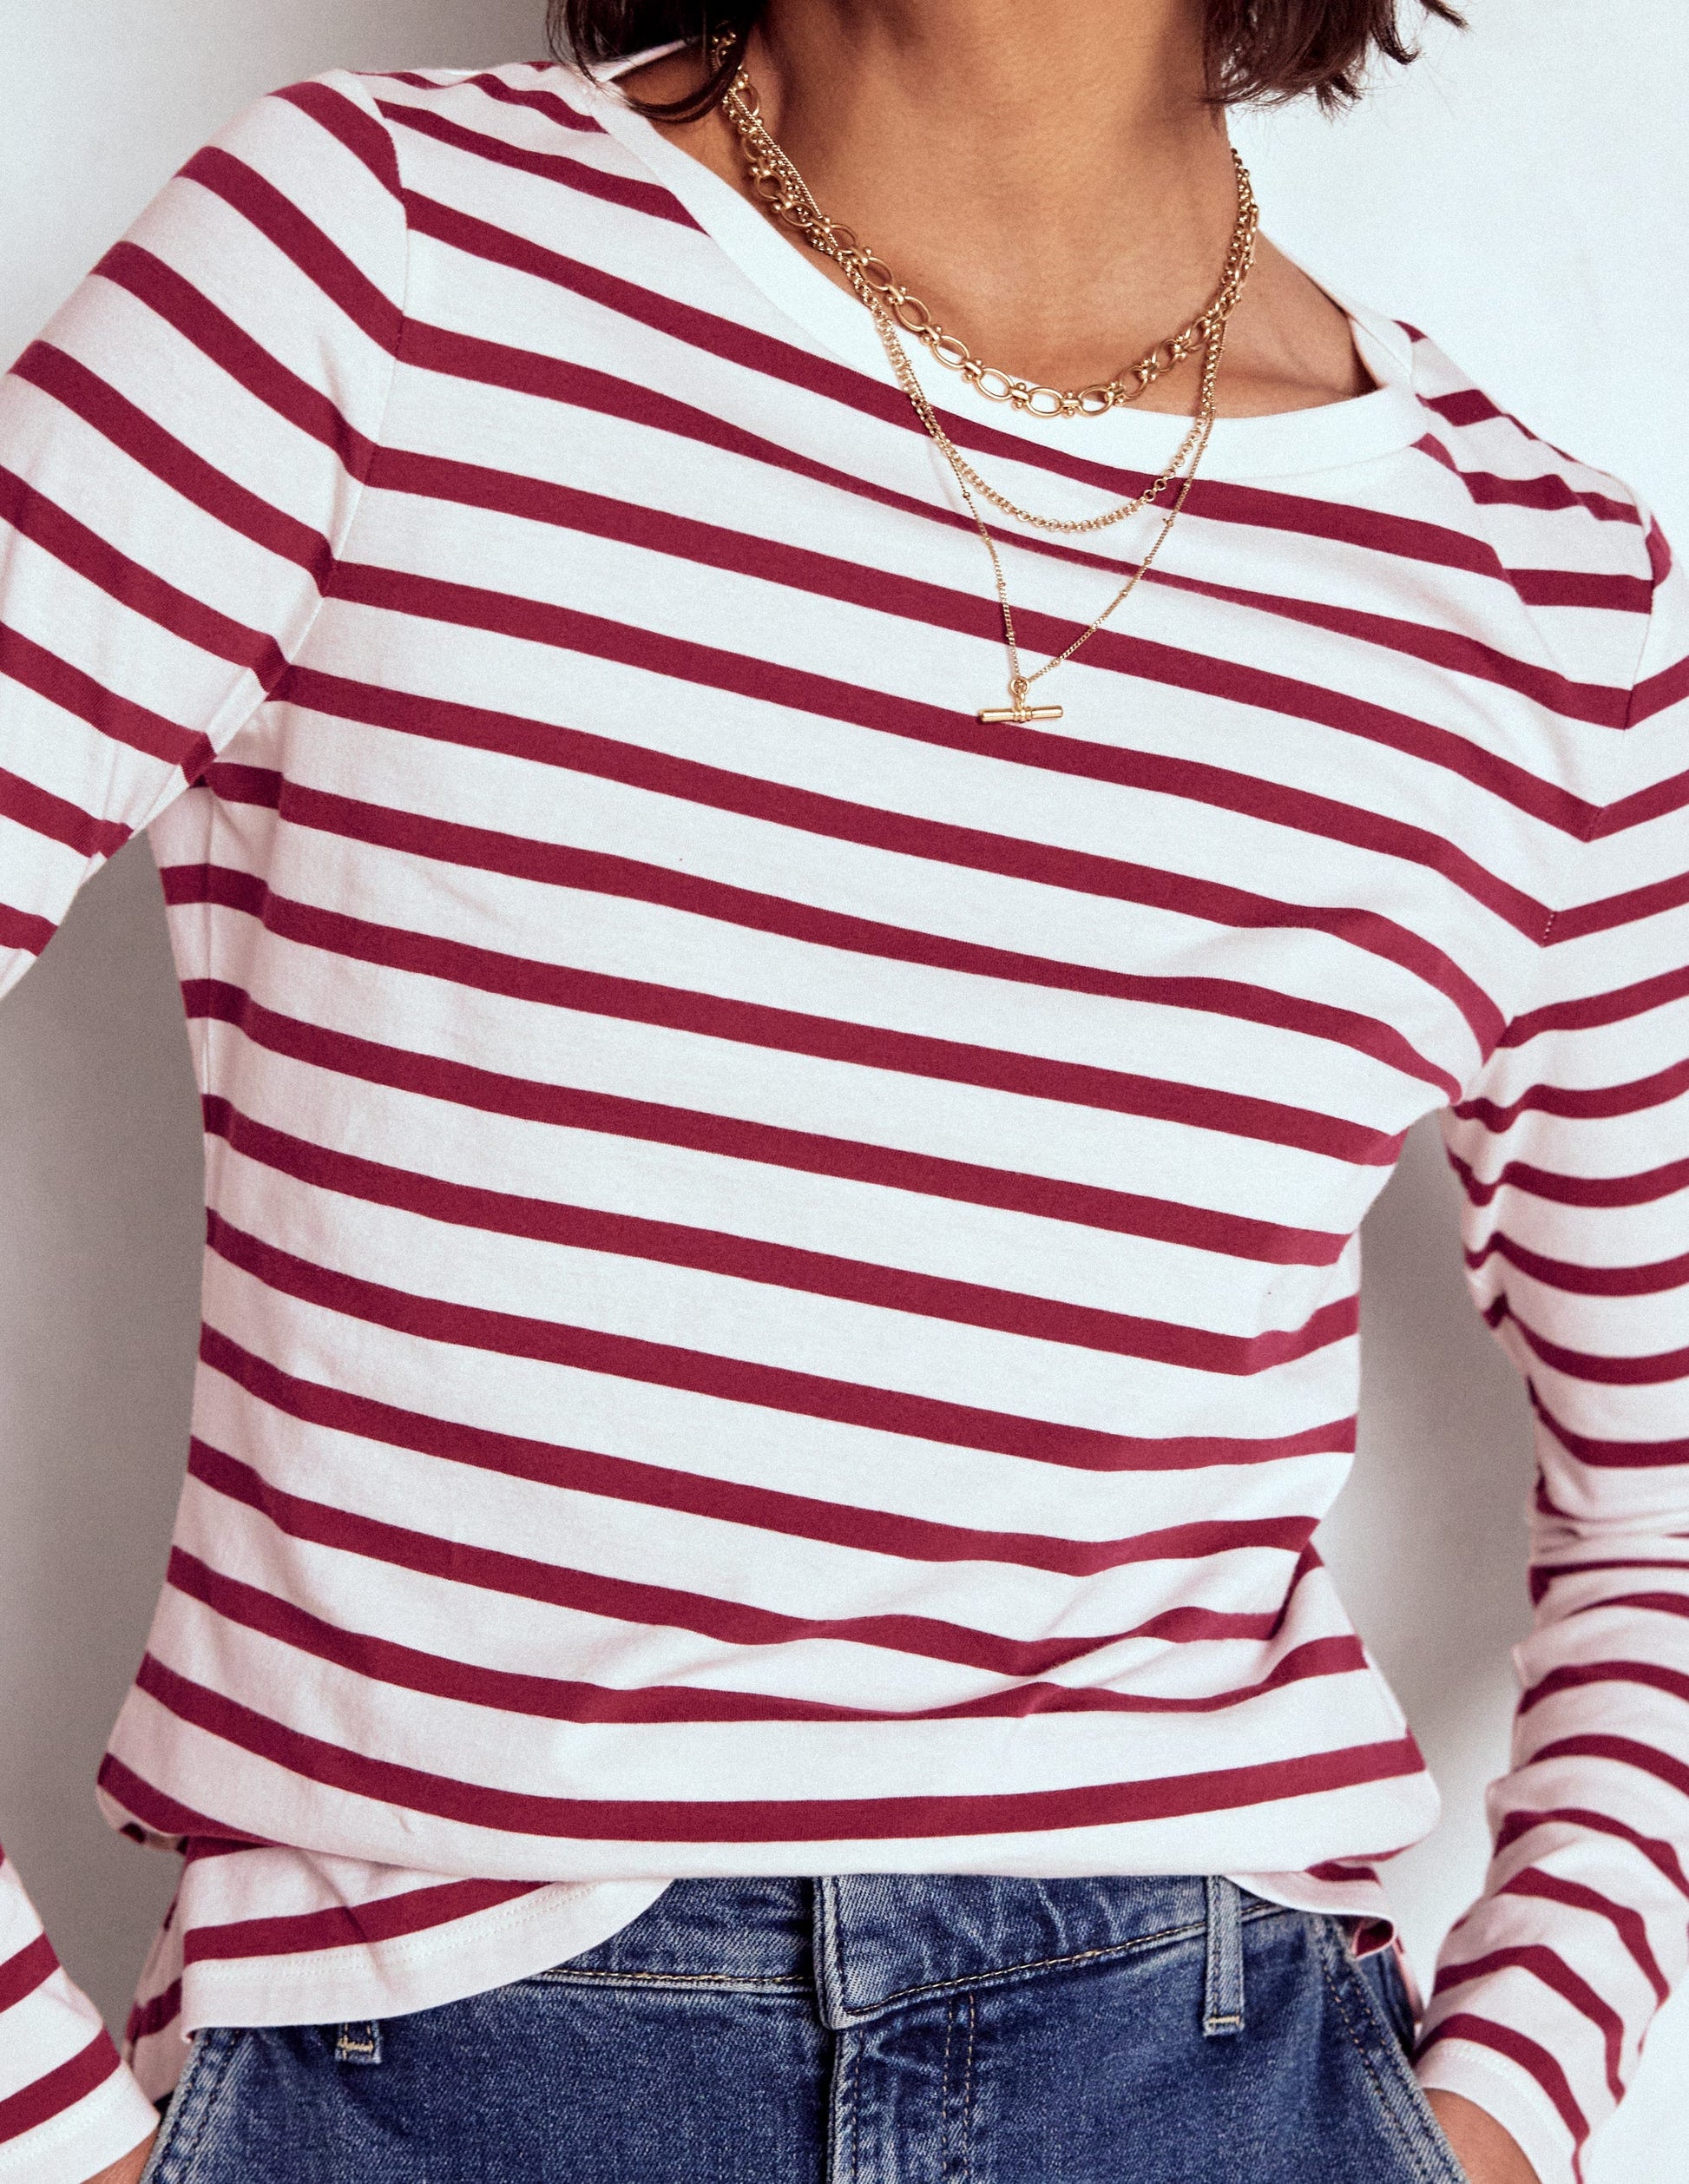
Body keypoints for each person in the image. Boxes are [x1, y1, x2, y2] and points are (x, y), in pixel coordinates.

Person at [1, 0, 1685, 2177]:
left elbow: (1663, 1498)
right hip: (437, 2057)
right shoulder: (379, 256)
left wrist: (1500, 2110)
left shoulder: (1537, 591)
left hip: (1216, 2062)